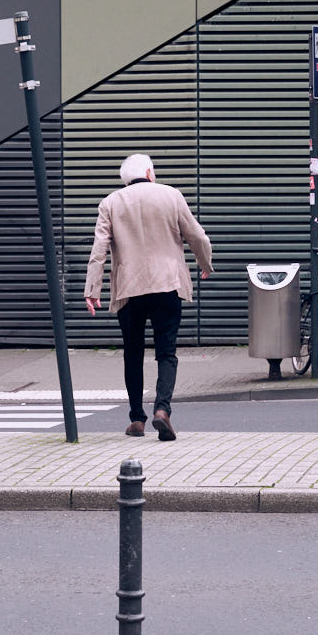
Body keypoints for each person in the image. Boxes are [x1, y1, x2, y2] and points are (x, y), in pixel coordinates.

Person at [84, 153, 214, 441]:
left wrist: (92, 290)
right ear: (149, 172)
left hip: (129, 290)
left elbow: (99, 250)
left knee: (133, 354)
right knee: (166, 353)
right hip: (167, 284)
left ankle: (137, 419)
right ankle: (162, 410)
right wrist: (205, 264)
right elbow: (197, 236)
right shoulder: (171, 195)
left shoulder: (110, 203)